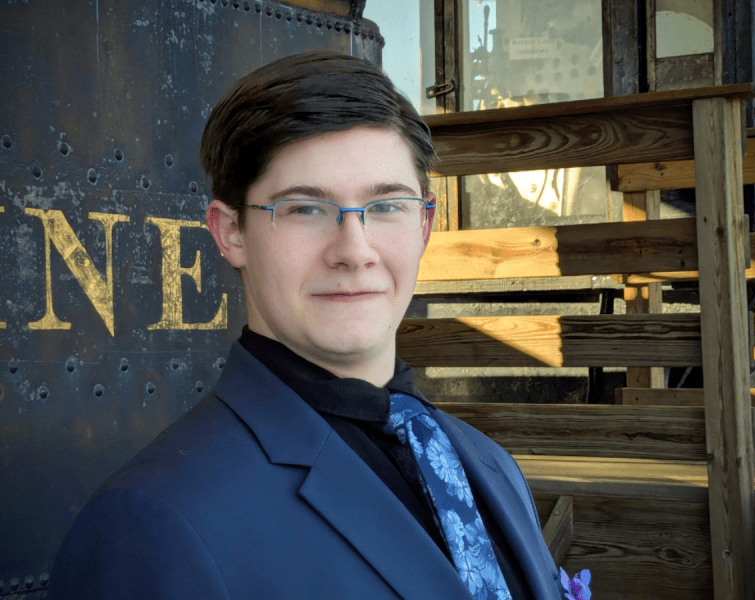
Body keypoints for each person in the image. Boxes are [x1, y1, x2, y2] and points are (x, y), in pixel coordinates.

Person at [49, 51, 565, 600]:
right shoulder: (150, 523)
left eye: (386, 204)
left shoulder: (490, 463)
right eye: (305, 209)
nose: (355, 251)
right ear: (231, 233)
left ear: (424, 225)